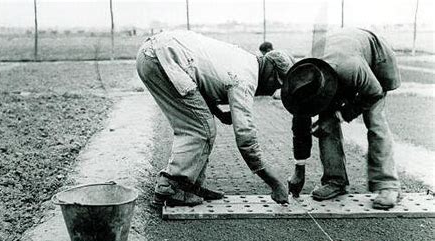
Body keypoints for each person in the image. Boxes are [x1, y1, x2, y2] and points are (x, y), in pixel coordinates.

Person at [136, 30, 294, 206]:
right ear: (270, 72)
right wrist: (274, 183)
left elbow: (202, 82)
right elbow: (245, 137)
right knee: (200, 129)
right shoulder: (245, 79)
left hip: (153, 54)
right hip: (163, 59)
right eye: (277, 84)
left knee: (202, 123)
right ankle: (171, 185)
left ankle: (188, 186)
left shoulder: (245, 59)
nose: (273, 91)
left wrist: (218, 113)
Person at [281, 28, 401, 210]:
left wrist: (340, 115)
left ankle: (388, 185)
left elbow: (374, 93)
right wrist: (300, 168)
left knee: (375, 121)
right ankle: (335, 181)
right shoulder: (302, 79)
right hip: (338, 60)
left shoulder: (350, 68)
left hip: (375, 59)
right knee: (325, 125)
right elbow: (300, 127)